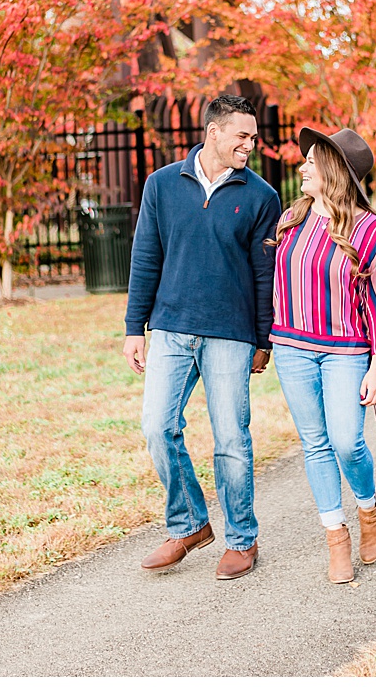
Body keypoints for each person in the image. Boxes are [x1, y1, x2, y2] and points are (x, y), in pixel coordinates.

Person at [122, 95, 282, 581]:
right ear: (214, 132)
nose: (250, 145)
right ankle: (189, 524)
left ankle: (241, 540)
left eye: (253, 138)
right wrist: (135, 328)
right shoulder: (163, 185)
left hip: (230, 335)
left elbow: (263, 273)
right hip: (170, 329)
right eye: (242, 136)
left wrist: (262, 339)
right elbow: (145, 256)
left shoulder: (261, 197)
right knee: (156, 427)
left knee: (231, 439)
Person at [267, 128, 376, 584]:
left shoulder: (370, 232)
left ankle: (367, 508)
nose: (302, 167)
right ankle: (336, 538)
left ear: (334, 171)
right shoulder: (290, 221)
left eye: (311, 161)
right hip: (292, 351)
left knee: (347, 442)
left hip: (346, 353)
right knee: (315, 445)